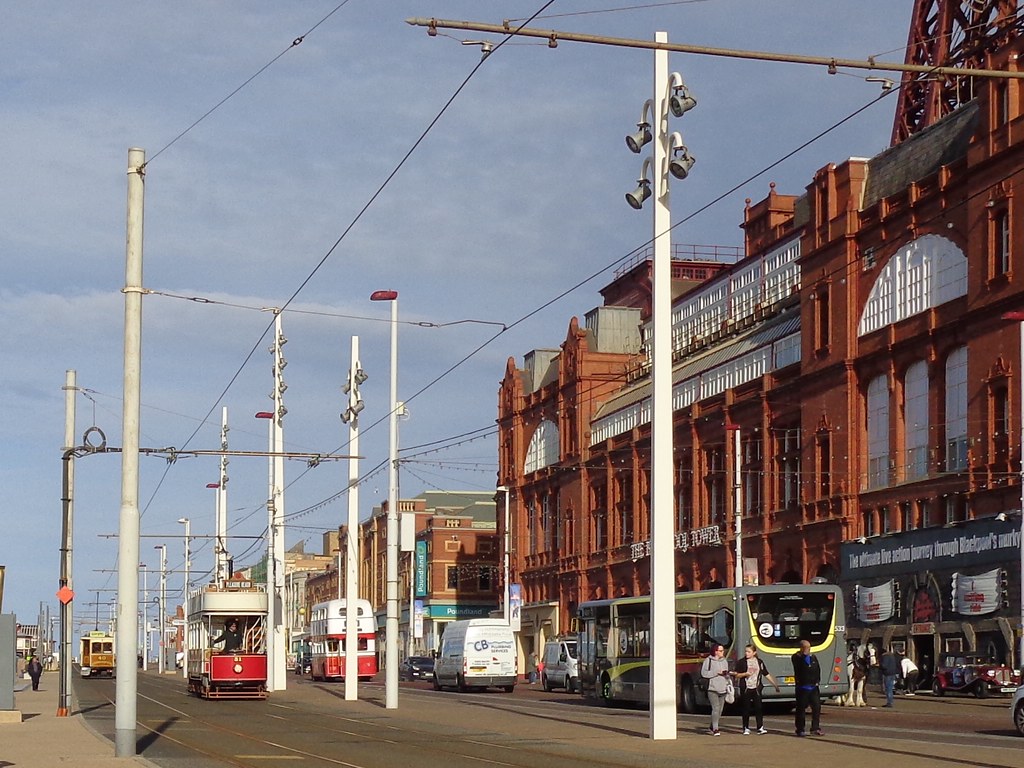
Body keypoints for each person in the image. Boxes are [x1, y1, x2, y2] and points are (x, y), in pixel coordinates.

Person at [732, 643, 780, 734]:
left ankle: (760, 727)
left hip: (756, 688)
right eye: (746, 651)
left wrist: (775, 685)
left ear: (754, 652)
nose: (746, 653)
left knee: (758, 707)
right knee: (746, 708)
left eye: (749, 652)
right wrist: (745, 674)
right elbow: (737, 675)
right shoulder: (741, 662)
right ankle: (746, 727)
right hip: (746, 688)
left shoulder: (759, 662)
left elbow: (766, 673)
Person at [791, 639, 823, 736]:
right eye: (805, 648)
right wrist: (804, 654)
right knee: (801, 709)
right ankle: (800, 729)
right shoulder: (796, 657)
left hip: (813, 687)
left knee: (817, 708)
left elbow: (817, 668)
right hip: (802, 687)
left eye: (808, 648)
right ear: (801, 648)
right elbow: (799, 666)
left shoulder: (813, 657)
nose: (807, 650)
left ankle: (815, 728)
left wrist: (817, 681)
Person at [700, 643, 730, 736]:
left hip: (723, 688)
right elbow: (704, 673)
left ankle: (711, 726)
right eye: (720, 651)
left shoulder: (724, 661)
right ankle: (716, 729)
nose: (722, 652)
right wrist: (716, 672)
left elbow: (726, 674)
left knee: (720, 710)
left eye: (723, 650)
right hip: (712, 688)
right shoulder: (708, 660)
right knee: (715, 708)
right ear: (715, 651)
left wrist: (728, 678)